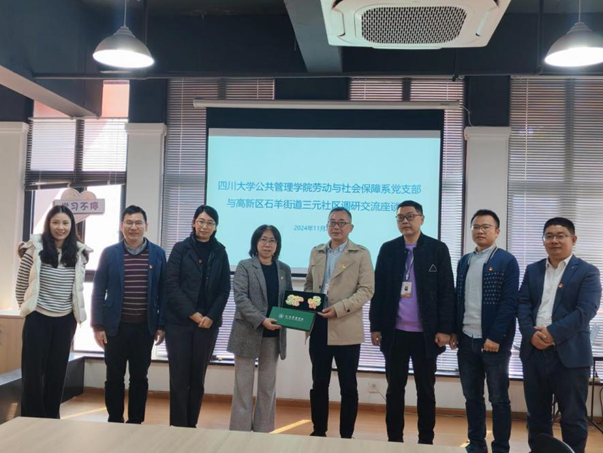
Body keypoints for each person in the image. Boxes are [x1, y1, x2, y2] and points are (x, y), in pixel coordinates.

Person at [369, 200, 454, 444]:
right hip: (394, 332)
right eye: (400, 218)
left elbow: (447, 291)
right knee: (395, 389)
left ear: (422, 219)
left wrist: (445, 329)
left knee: (425, 390)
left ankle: (426, 440)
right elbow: (379, 290)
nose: (405, 221)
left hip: (426, 335)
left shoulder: (437, 249)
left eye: (410, 216)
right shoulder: (388, 249)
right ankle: (394, 438)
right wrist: (375, 326)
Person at [518, 217, 601, 453]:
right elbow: (522, 304)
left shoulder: (587, 272)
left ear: (573, 239)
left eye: (560, 235)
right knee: (537, 417)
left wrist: (552, 334)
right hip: (534, 353)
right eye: (549, 236)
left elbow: (586, 310)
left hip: (570, 356)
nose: (554, 240)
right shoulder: (533, 270)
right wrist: (530, 334)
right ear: (543, 240)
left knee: (573, 417)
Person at [91, 205, 167, 424]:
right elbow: (98, 290)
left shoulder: (158, 253)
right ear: (121, 225)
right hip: (115, 328)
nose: (133, 227)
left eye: (138, 223)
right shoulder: (110, 253)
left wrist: (161, 325)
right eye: (129, 222)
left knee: (139, 377)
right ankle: (115, 419)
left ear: (146, 226)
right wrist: (98, 326)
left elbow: (164, 292)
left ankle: (136, 421)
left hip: (145, 328)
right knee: (114, 377)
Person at [451, 209, 519, 453]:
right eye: (476, 227)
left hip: (494, 343)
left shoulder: (506, 261)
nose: (480, 231)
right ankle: (477, 444)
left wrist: (495, 337)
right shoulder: (464, 261)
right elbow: (458, 299)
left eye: (486, 227)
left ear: (497, 231)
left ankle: (501, 447)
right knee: (472, 397)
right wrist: (454, 331)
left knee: (499, 399)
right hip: (466, 340)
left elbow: (509, 303)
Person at [15, 205, 92, 418]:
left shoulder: (80, 253)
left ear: (72, 226)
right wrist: (28, 310)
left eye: (65, 223)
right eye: (56, 222)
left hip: (65, 321)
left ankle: (51, 418)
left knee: (56, 374)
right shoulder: (34, 249)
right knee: (32, 374)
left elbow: (77, 288)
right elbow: (21, 286)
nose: (60, 227)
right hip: (37, 319)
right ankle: (31, 419)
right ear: (48, 224)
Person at [304, 207, 374, 439]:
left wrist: (339, 309)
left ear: (350, 227)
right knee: (319, 383)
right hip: (318, 326)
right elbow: (309, 285)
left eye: (342, 223)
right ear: (327, 226)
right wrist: (308, 304)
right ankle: (318, 431)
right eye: (332, 222)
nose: (336, 226)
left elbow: (367, 290)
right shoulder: (317, 251)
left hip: (346, 326)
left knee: (348, 386)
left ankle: (346, 436)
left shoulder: (361, 253)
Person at [164, 205, 231, 428]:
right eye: (201, 221)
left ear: (216, 227)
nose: (205, 226)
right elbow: (171, 285)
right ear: (193, 223)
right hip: (179, 323)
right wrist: (193, 314)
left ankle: (191, 426)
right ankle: (178, 427)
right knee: (179, 378)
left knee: (197, 379)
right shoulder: (180, 249)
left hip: (207, 325)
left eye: (210, 223)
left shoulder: (220, 252)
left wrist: (210, 316)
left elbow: (224, 289)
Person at [228, 225, 293, 432]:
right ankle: (240, 430)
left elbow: (290, 299)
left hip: (273, 335)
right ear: (255, 242)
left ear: (277, 245)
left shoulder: (284, 269)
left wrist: (296, 316)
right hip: (247, 332)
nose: (267, 244)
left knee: (267, 386)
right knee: (243, 386)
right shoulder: (245, 266)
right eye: (263, 239)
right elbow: (240, 298)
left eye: (272, 240)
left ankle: (264, 430)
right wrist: (261, 319)